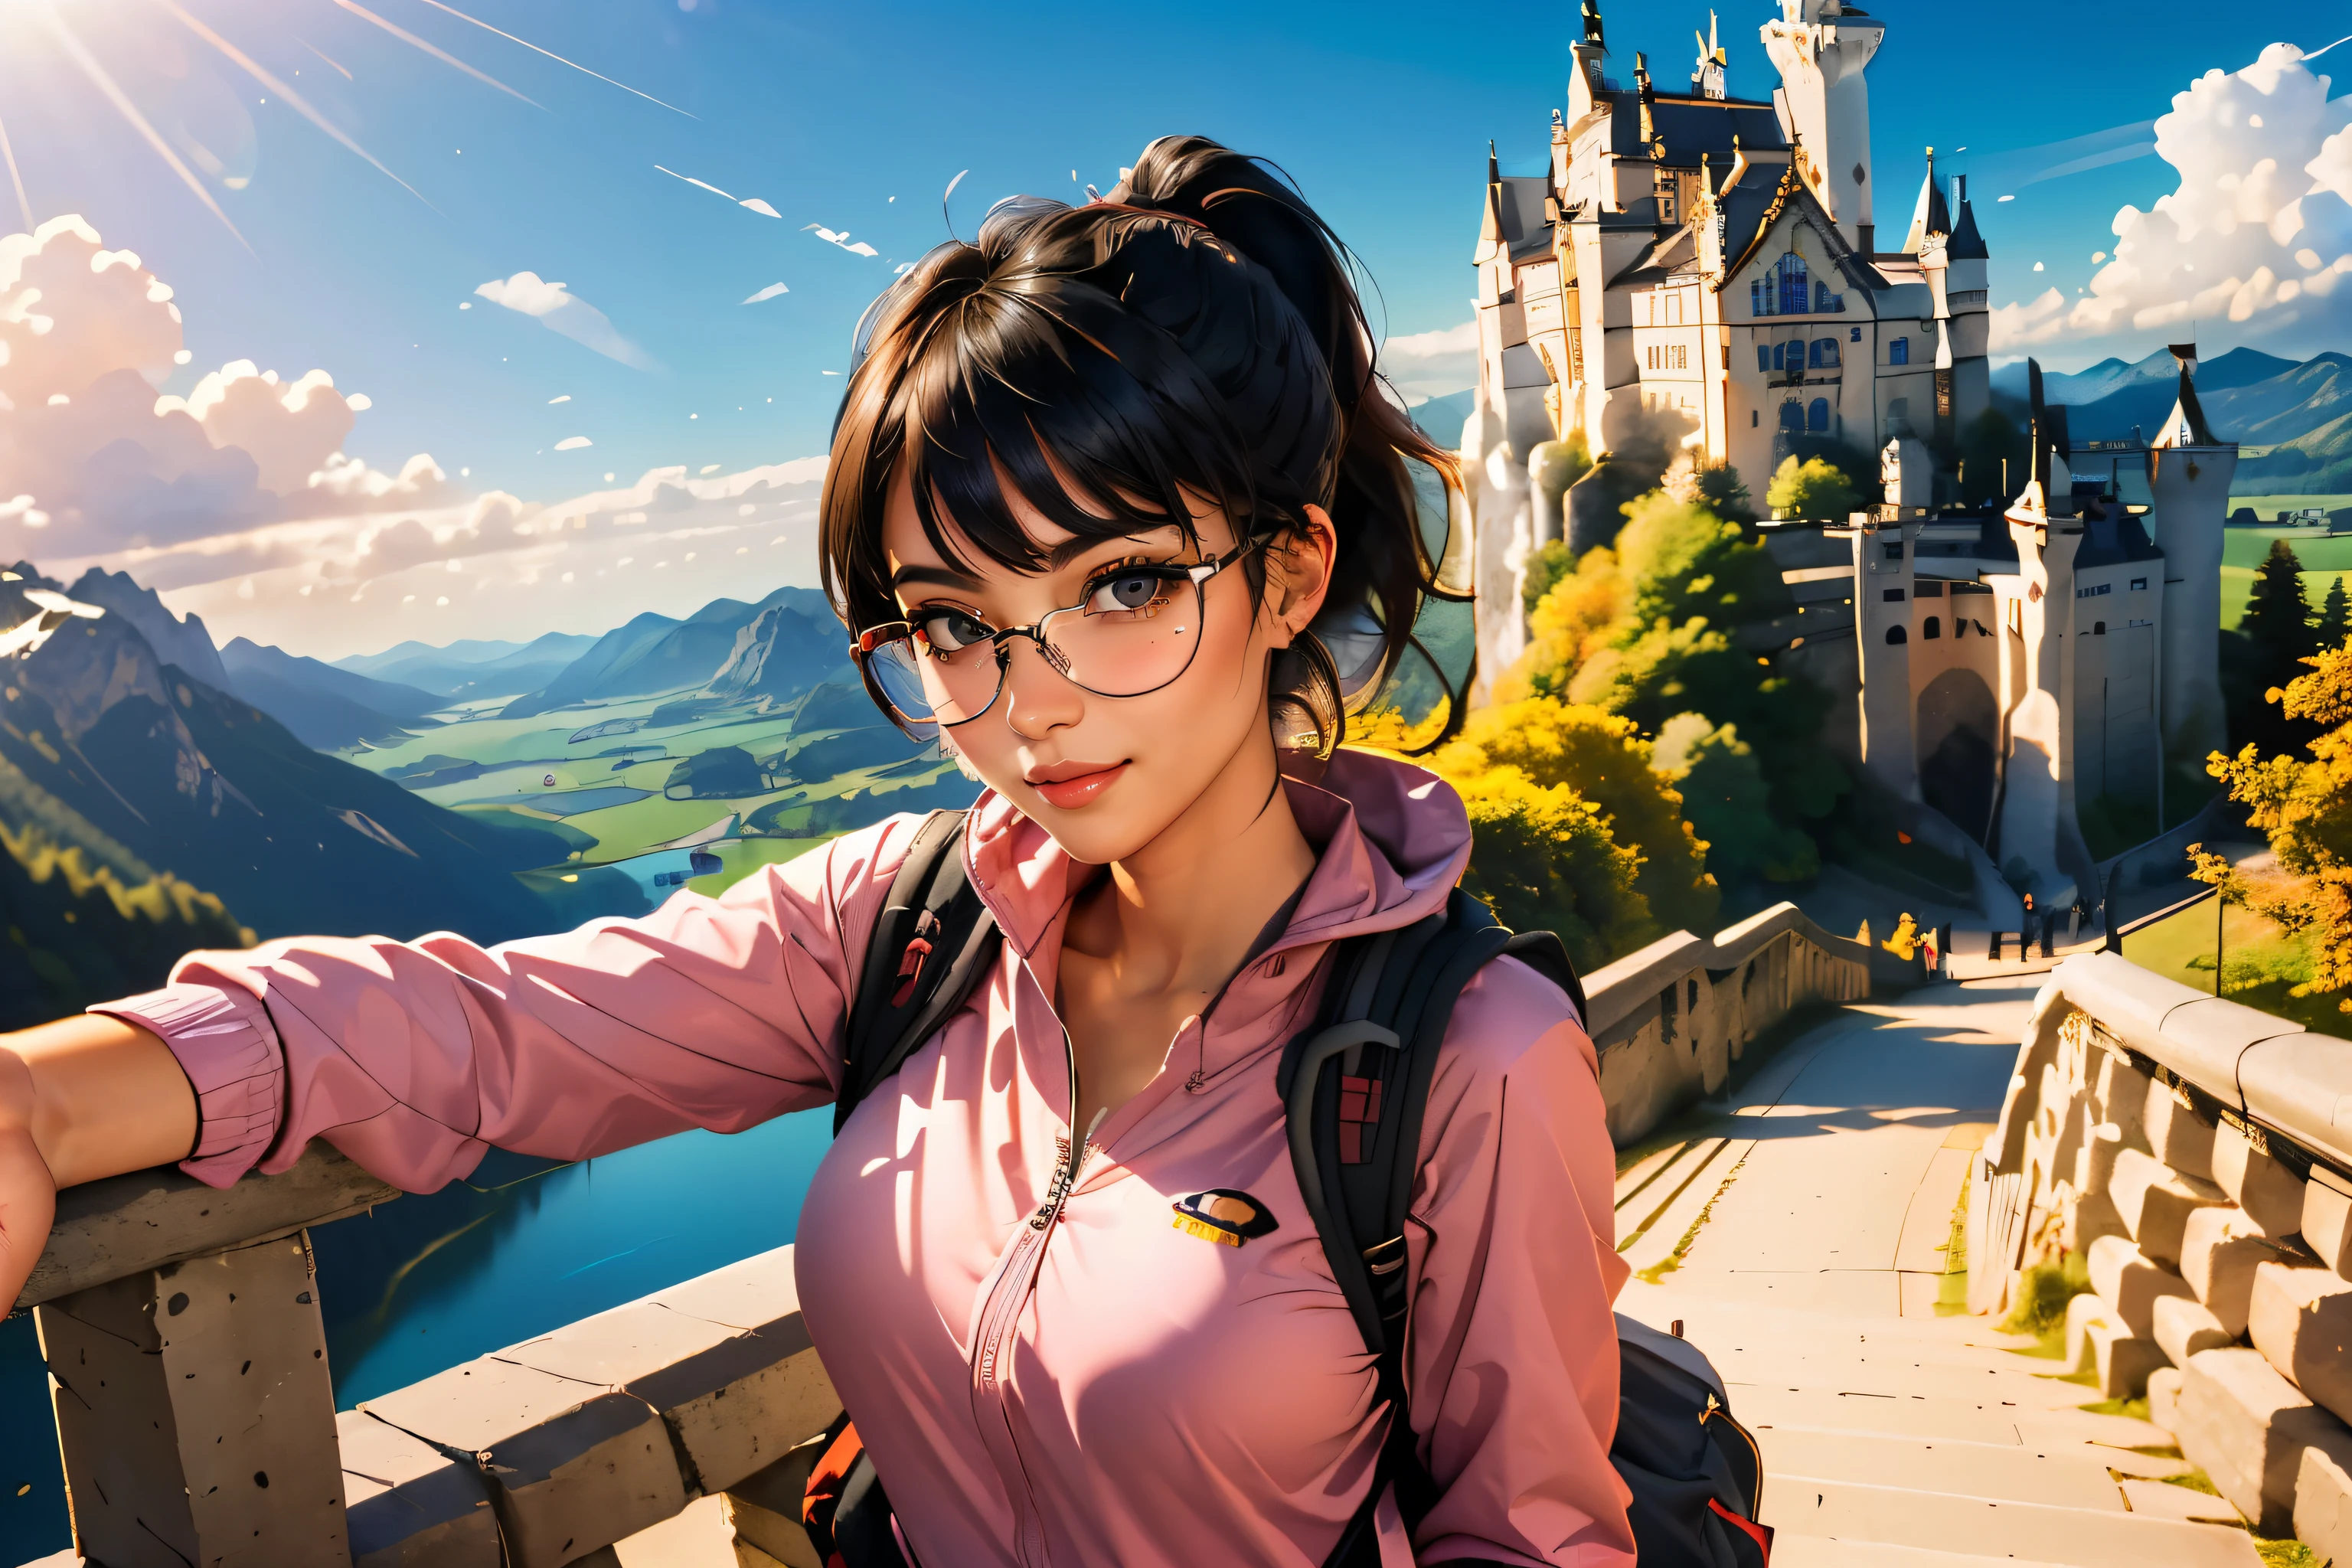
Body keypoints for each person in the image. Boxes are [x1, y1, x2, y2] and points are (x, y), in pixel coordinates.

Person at [0, 137, 1630, 1566]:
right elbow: (494, 1028)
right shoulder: (909, 934)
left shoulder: (1467, 1059)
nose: (1030, 704)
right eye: (953, 627)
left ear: (1286, 579)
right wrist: (45, 1101)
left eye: (1122, 584)